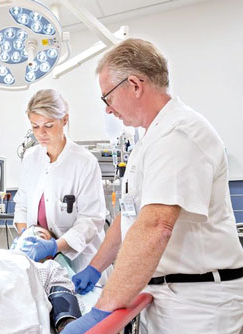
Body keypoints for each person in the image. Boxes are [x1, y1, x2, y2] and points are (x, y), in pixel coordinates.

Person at [63, 38, 243, 334]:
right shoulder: (151, 139)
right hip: (166, 297)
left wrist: (101, 311)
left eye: (107, 97)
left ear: (134, 85)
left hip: (199, 305)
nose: (108, 109)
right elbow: (131, 216)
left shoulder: (178, 133)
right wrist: (96, 267)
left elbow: (156, 226)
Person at [13, 89, 109, 280]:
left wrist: (56, 246)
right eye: (35, 126)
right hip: (41, 264)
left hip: (81, 263)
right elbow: (22, 205)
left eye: (48, 125)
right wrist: (28, 236)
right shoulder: (31, 158)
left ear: (64, 120)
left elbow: (90, 219)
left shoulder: (84, 162)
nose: (41, 133)